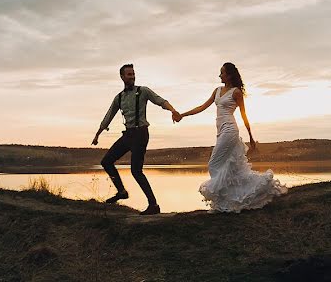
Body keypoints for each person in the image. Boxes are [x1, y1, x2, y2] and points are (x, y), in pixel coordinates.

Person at [174, 62, 287, 212]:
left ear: (229, 75)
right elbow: (202, 107)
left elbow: (243, 114)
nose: (219, 75)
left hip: (230, 130)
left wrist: (251, 137)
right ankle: (233, 200)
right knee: (231, 168)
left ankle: (224, 200)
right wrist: (183, 115)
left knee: (213, 165)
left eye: (222, 72)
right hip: (221, 130)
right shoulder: (217, 90)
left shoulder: (236, 92)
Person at [92, 63, 180, 215]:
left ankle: (153, 205)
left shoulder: (143, 91)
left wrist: (173, 110)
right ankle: (121, 192)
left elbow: (160, 100)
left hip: (141, 134)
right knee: (106, 162)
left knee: (136, 171)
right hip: (128, 135)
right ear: (122, 77)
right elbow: (108, 116)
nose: (132, 77)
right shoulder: (119, 97)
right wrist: (97, 134)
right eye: (129, 74)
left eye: (133, 74)